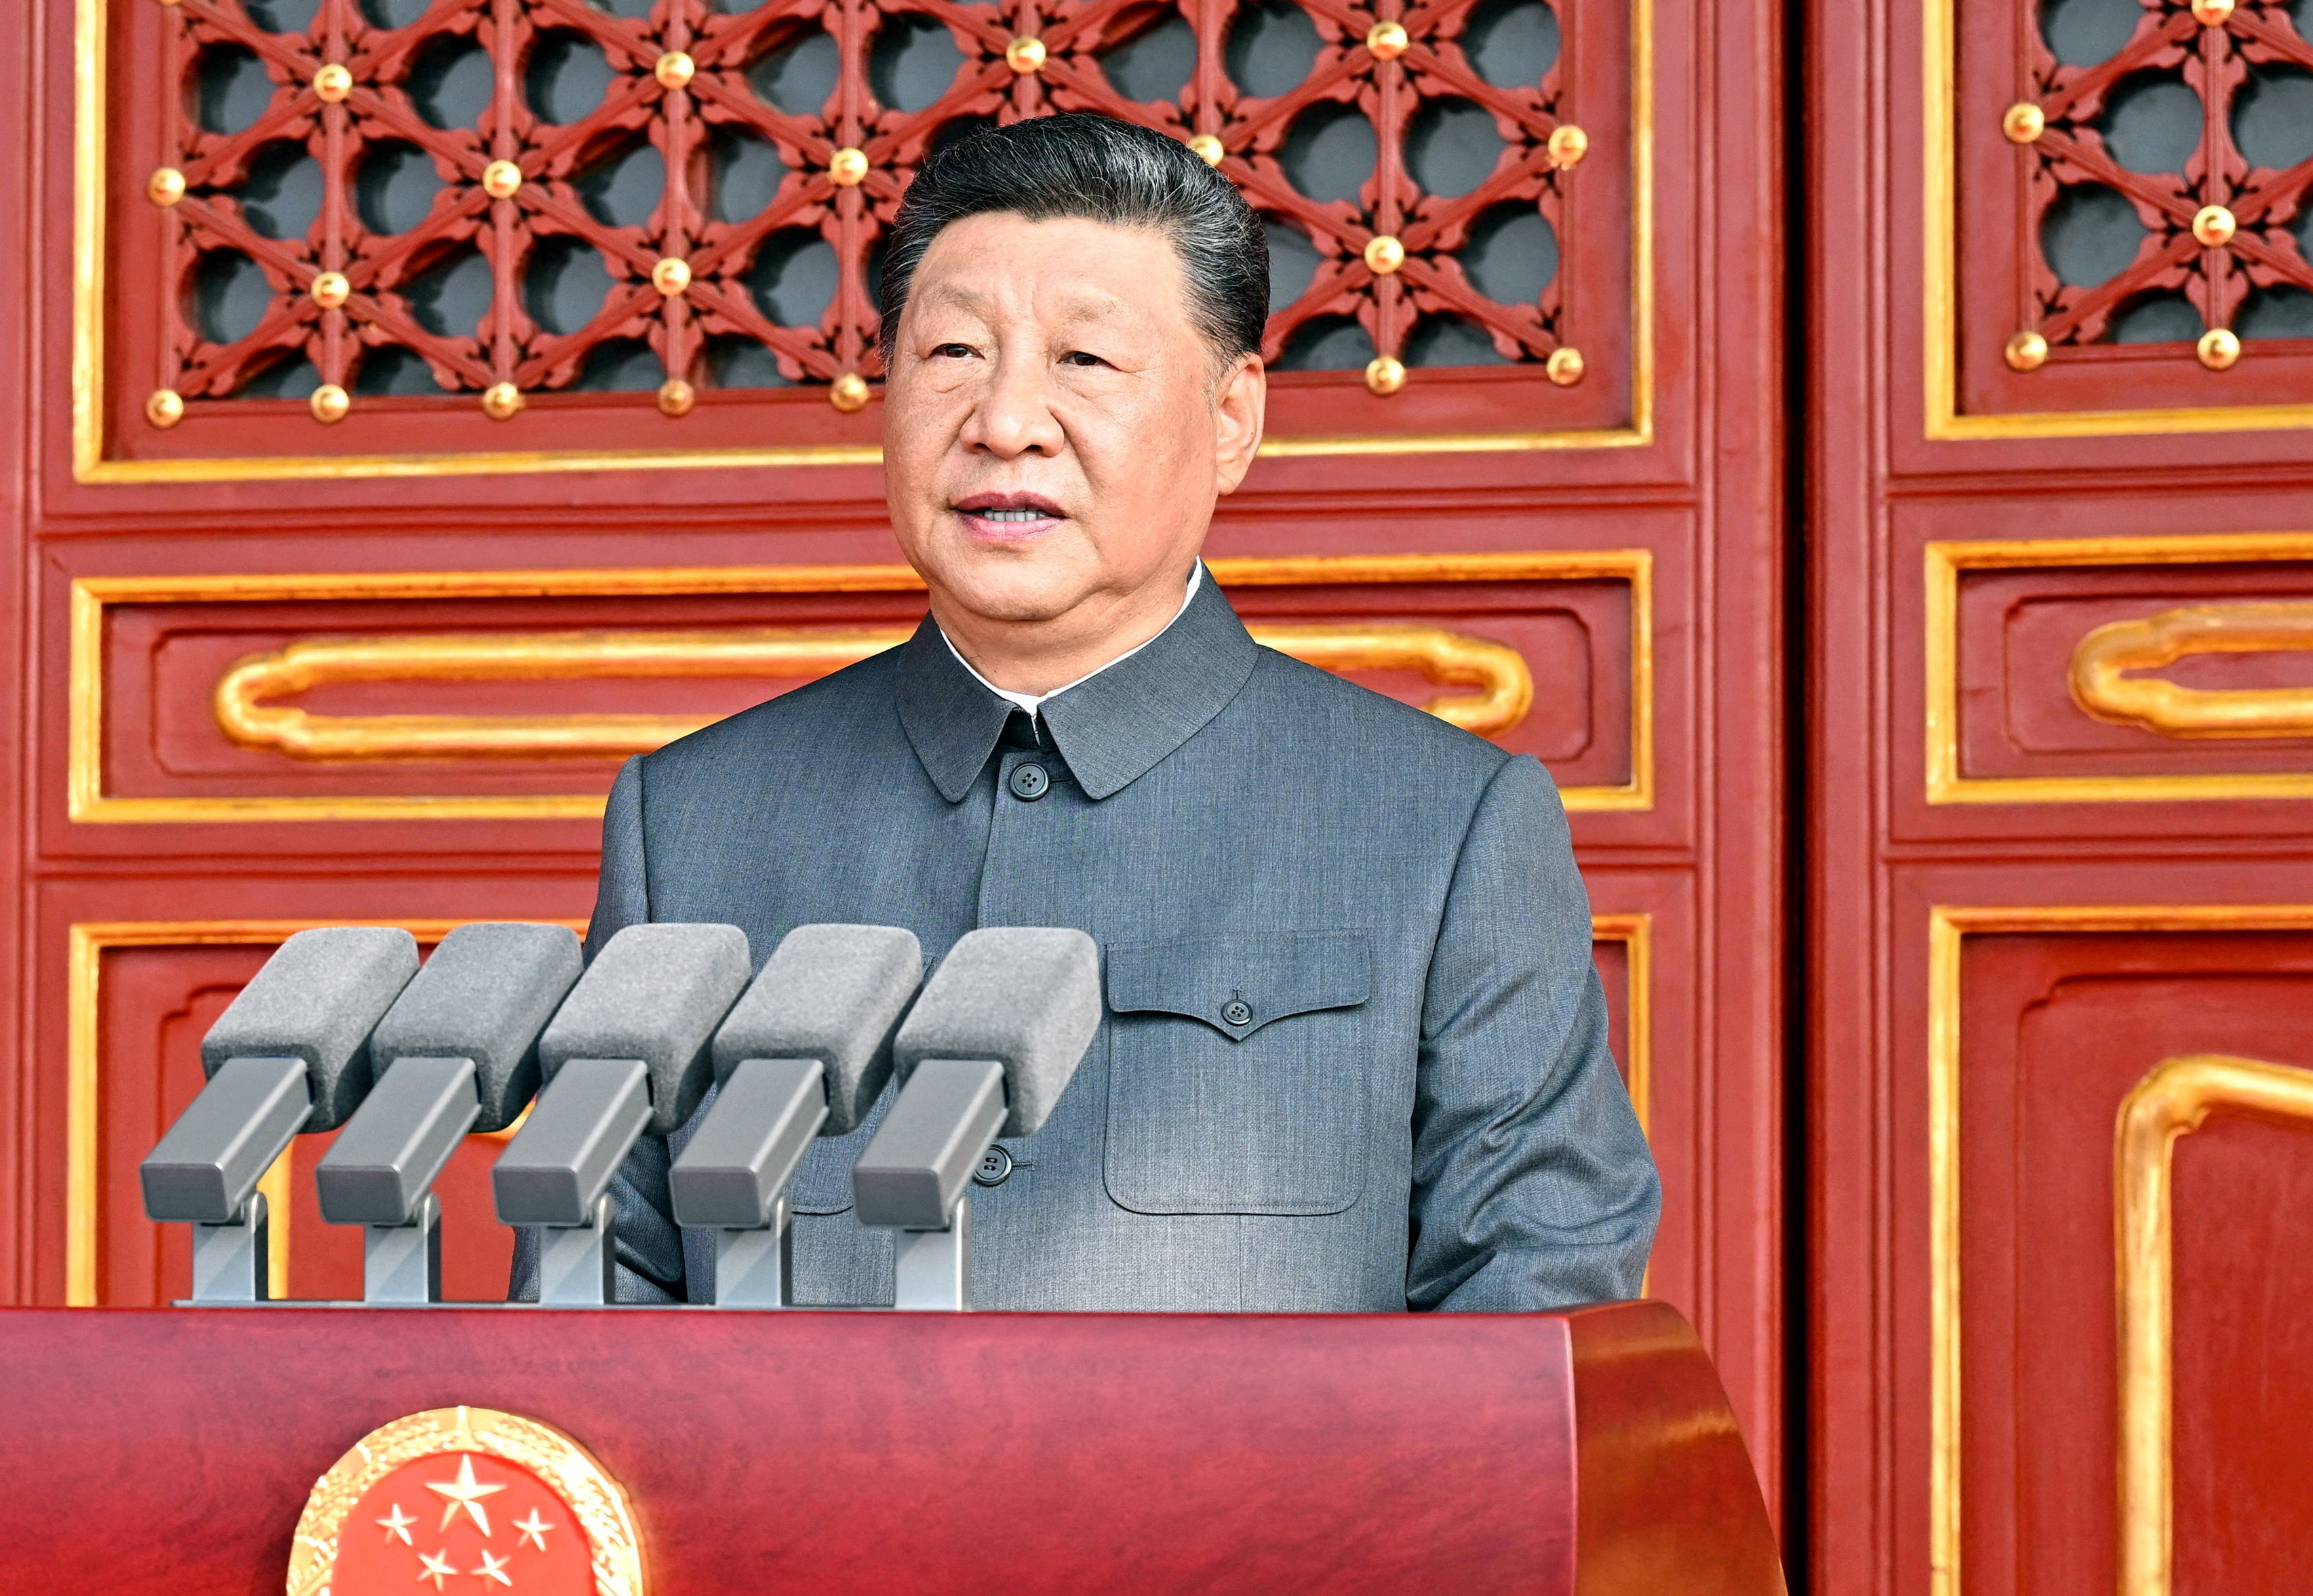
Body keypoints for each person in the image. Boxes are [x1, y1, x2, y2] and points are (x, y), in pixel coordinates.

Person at [578, 111, 1658, 1312]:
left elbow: (1535, 1304)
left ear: (1234, 416)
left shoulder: (1444, 829)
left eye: (1084, 362)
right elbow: (590, 1311)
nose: (1005, 421)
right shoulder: (692, 823)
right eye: (952, 354)